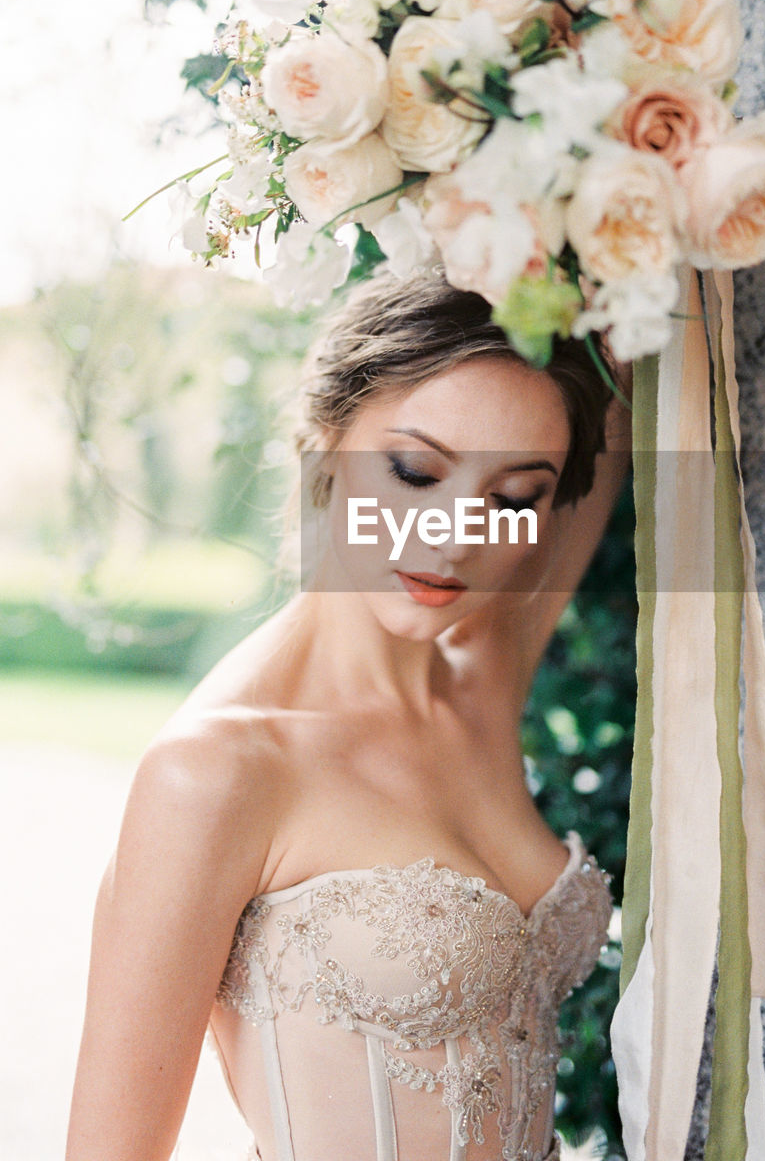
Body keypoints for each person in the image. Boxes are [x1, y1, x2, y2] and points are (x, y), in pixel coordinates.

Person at [65, 269, 633, 1161]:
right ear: (325, 442)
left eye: (513, 498)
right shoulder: (219, 770)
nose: (455, 536)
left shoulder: (482, 674)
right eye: (414, 471)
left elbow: (619, 384)